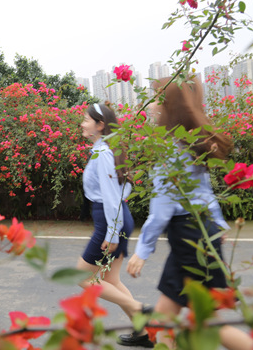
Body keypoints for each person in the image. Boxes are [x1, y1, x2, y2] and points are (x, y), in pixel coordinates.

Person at [126, 77, 253, 350]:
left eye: (156, 100)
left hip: (188, 238)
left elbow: (162, 207)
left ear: (170, 106)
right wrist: (217, 225)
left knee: (203, 322)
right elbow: (204, 192)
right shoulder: (191, 144)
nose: (151, 107)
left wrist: (143, 249)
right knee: (164, 318)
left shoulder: (168, 149)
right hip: (200, 232)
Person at [78, 103, 153, 348]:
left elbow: (111, 198)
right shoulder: (104, 150)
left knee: (82, 276)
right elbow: (121, 190)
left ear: (100, 125)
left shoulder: (103, 154)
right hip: (116, 217)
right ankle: (143, 333)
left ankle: (139, 309)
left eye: (86, 120)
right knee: (111, 279)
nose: (82, 123)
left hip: (111, 220)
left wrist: (111, 233)